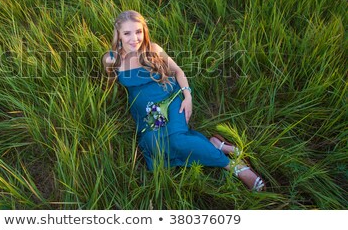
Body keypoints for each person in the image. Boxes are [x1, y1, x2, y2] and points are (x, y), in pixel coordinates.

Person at [102, 10, 266, 191]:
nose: (134, 38)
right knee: (154, 148)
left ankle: (234, 166)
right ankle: (214, 145)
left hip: (170, 99)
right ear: (118, 34)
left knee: (177, 141)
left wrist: (187, 97)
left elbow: (178, 71)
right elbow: (111, 84)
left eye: (138, 32)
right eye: (127, 33)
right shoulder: (111, 59)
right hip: (147, 111)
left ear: (144, 31)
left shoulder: (153, 49)